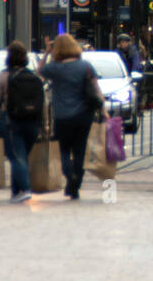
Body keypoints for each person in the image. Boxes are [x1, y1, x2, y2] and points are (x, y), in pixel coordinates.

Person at [38, 34, 106, 200]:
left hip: (62, 115)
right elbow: (97, 91)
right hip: (84, 115)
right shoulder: (86, 66)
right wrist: (104, 111)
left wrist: (46, 53)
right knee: (80, 151)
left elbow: (39, 72)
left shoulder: (54, 68)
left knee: (63, 150)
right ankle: (75, 185)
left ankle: (70, 177)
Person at [0, 41, 42, 203]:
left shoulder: (2, 77)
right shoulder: (34, 77)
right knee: (22, 156)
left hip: (10, 120)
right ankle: (16, 193)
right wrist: (44, 125)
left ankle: (24, 189)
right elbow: (41, 102)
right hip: (32, 121)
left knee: (16, 157)